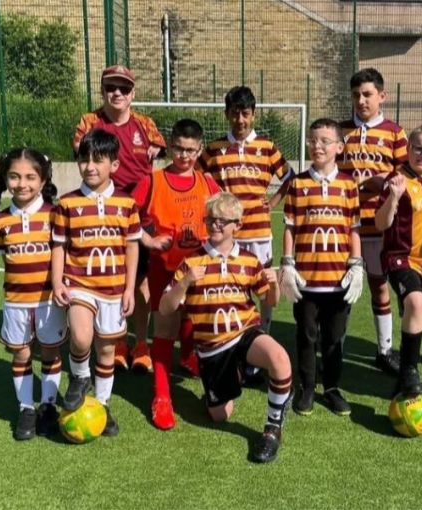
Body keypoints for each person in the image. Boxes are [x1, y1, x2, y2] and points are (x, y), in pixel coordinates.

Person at [160, 192, 293, 463]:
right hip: (212, 349)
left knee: (280, 359)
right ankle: (229, 381)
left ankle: (272, 429)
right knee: (219, 415)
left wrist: (274, 283)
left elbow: (271, 302)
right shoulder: (192, 262)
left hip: (244, 332)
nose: (215, 225)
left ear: (237, 225)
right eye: (211, 220)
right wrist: (184, 283)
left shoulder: (249, 261)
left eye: (223, 221)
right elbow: (165, 307)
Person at [73, 64, 167, 372]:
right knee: (106, 279)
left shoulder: (146, 125)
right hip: (100, 217)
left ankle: (140, 343)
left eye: (124, 88)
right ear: (102, 91)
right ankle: (115, 342)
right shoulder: (89, 122)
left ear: (133, 94)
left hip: (138, 216)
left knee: (139, 283)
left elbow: (159, 146)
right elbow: (82, 155)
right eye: (111, 87)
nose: (117, 93)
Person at [200, 86, 294, 386]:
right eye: (234, 113)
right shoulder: (214, 149)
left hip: (258, 232)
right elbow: (197, 178)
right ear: (227, 114)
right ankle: (231, 347)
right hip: (226, 235)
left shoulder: (267, 147)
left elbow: (290, 178)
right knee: (229, 288)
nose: (240, 119)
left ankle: (260, 346)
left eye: (245, 113)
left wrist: (274, 201)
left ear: (253, 114)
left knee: (264, 289)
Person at [52, 129, 141, 436]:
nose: (89, 166)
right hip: (79, 283)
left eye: (98, 160)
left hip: (114, 289)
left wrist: (130, 288)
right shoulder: (67, 204)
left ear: (114, 165)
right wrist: (57, 282)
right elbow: (59, 246)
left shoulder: (127, 205)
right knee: (80, 335)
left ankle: (102, 404)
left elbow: (132, 246)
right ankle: (78, 377)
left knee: (106, 351)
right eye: (84, 159)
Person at [132, 119, 220, 430]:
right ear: (170, 146)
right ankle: (161, 396)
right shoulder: (152, 181)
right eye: (179, 149)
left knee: (198, 323)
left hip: (199, 271)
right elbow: (128, 219)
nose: (184, 156)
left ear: (200, 149)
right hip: (163, 270)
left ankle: (191, 359)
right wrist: (149, 241)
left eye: (191, 151)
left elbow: (224, 218)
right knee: (165, 329)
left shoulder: (208, 183)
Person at [0, 148, 67, 440]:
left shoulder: (55, 215)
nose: (22, 183)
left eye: (31, 177)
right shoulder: (0, 222)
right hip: (16, 302)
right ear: (5, 180)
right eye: (14, 176)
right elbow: (7, 258)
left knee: (51, 353)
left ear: (43, 181)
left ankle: (49, 405)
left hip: (48, 302)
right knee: (22, 353)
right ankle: (26, 407)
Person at [279, 118, 362, 416]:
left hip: (338, 278)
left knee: (334, 336)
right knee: (306, 334)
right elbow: (289, 228)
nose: (318, 146)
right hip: (306, 279)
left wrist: (357, 265)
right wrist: (287, 264)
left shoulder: (349, 185)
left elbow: (353, 229)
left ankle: (332, 388)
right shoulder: (298, 183)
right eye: (313, 140)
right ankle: (307, 387)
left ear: (340, 147)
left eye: (325, 141)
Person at [338, 68, 408, 376]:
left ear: (382, 96)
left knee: (380, 287)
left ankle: (384, 350)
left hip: (379, 226)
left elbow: (406, 174)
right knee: (342, 289)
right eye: (356, 95)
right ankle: (334, 347)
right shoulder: (340, 131)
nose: (361, 101)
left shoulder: (395, 132)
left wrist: (386, 181)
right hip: (345, 226)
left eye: (367, 95)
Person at [375, 123, 422, 400]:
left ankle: (404, 381)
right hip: (400, 258)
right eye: (418, 148)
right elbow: (380, 222)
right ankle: (410, 369)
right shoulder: (396, 179)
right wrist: (394, 198)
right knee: (416, 302)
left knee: (419, 317)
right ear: (408, 148)